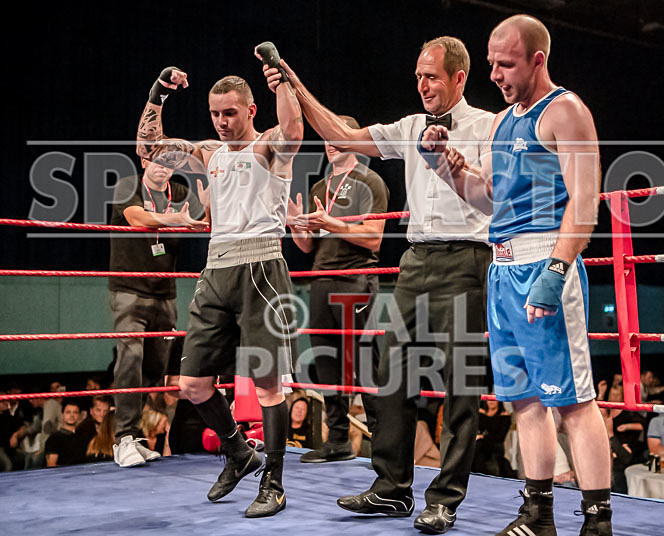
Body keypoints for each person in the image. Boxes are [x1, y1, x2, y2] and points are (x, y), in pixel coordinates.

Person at [266, 36, 495, 533]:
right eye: (417, 75)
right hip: (415, 261)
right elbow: (342, 135)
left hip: (468, 259)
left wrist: (458, 165)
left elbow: (499, 198)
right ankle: (392, 488)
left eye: (432, 75)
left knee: (460, 383)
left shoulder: (489, 127)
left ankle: (445, 499)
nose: (422, 84)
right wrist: (295, 85)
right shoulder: (411, 126)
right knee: (388, 367)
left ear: (459, 78)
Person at [419, 13, 613, 535]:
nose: (497, 75)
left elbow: (585, 200)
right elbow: (489, 199)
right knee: (524, 400)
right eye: (491, 65)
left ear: (536, 59)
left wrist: (557, 267)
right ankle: (538, 513)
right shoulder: (505, 123)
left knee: (572, 400)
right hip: (502, 268)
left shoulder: (564, 110)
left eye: (506, 64)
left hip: (545, 259)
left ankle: (597, 521)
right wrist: (447, 166)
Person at [136, 55, 303, 519]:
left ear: (251, 110)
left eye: (230, 113)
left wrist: (281, 80)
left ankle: (273, 481)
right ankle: (237, 452)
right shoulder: (209, 152)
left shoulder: (269, 147)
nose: (222, 122)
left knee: (269, 384)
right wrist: (158, 94)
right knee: (192, 383)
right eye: (215, 114)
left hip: (262, 268)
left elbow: (293, 130)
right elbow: (149, 150)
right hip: (215, 270)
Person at [289, 114, 388, 463]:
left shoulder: (369, 181)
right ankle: (339, 441)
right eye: (326, 138)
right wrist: (297, 225)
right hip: (320, 281)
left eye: (336, 136)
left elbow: (374, 239)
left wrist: (331, 222)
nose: (330, 142)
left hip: (356, 279)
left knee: (365, 364)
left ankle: (385, 443)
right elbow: (309, 246)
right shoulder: (320, 187)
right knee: (328, 364)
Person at [109, 146, 207, 468]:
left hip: (165, 294)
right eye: (157, 161)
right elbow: (136, 218)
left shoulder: (179, 191)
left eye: (169, 162)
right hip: (129, 290)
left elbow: (199, 219)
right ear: (144, 160)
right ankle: (123, 438)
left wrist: (209, 203)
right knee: (130, 356)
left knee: (155, 369)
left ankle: (136, 438)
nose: (163, 168)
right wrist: (172, 219)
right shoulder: (128, 186)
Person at [45, 400, 86, 467]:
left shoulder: (83, 437)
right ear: (62, 415)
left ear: (79, 416)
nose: (72, 415)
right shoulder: (54, 439)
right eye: (68, 412)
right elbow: (51, 465)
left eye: (75, 412)